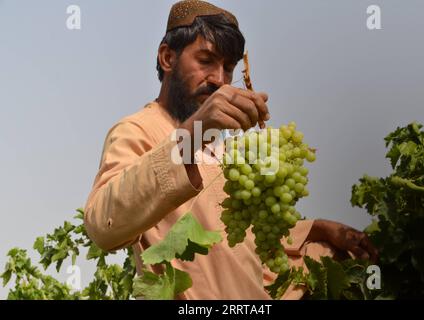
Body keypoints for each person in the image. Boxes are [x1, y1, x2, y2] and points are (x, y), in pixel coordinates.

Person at [83, 0, 378, 299]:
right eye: (206, 60)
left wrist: (318, 230)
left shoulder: (220, 150)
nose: (219, 80)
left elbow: (244, 244)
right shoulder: (138, 130)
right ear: (167, 58)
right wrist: (195, 130)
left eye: (228, 68)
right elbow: (102, 225)